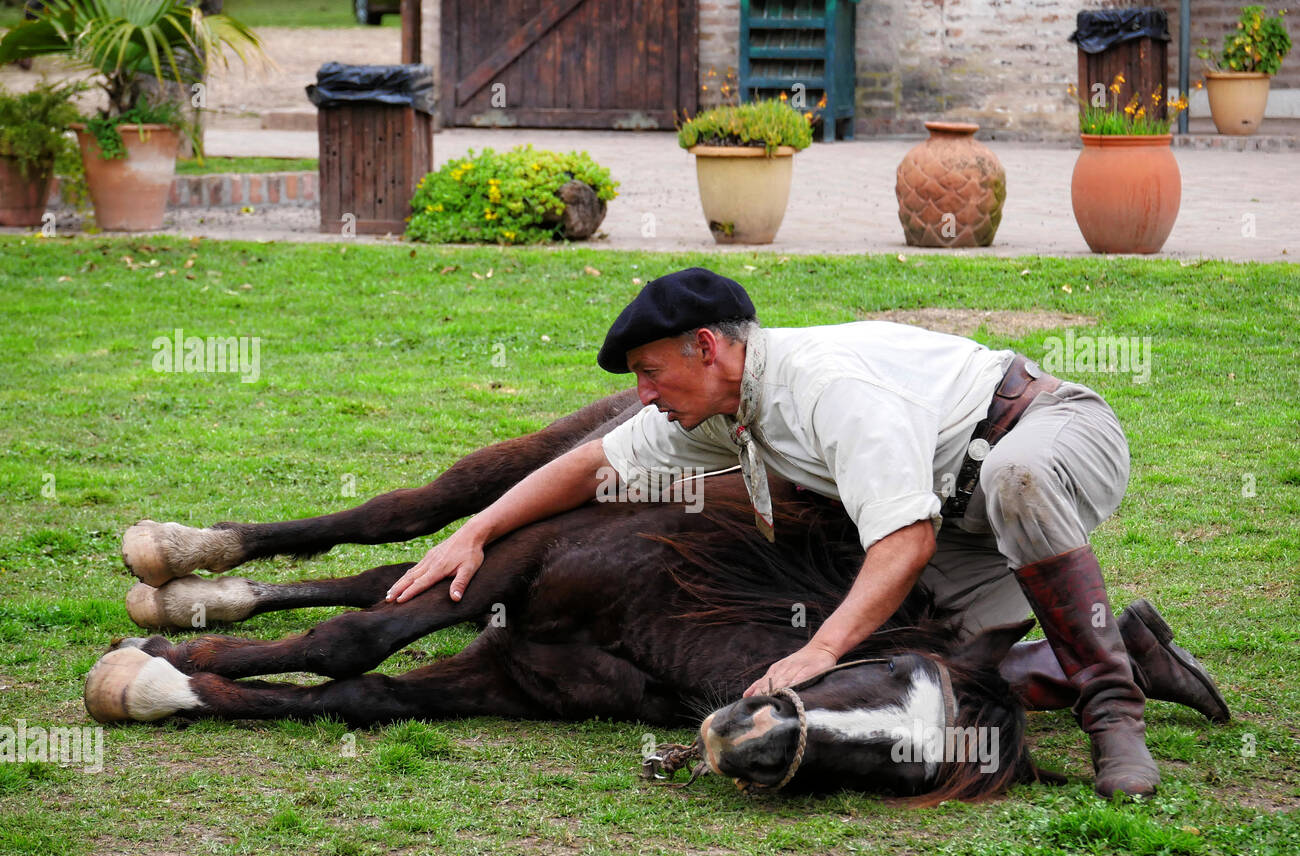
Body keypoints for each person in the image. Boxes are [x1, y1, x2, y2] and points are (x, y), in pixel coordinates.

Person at [386, 267, 1229, 798]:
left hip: (1040, 436)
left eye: (650, 371)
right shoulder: (712, 409)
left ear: (708, 347)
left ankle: (1113, 717)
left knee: (1018, 481)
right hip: (961, 507)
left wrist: (820, 650)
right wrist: (477, 529)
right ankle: (1122, 647)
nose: (643, 393)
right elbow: (590, 464)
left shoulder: (824, 389)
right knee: (946, 665)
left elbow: (903, 542)